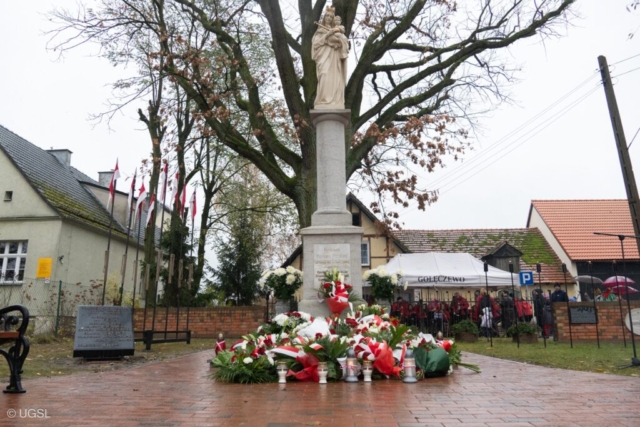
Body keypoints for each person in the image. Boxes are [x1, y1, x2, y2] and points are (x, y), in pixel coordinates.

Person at [312, 7, 349, 109]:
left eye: (331, 17)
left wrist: (340, 41)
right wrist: (327, 35)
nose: (328, 18)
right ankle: (323, 100)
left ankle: (334, 101)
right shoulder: (320, 31)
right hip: (324, 56)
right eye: (327, 16)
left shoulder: (336, 30)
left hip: (334, 57)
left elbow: (343, 41)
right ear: (324, 17)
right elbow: (316, 44)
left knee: (335, 78)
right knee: (324, 74)